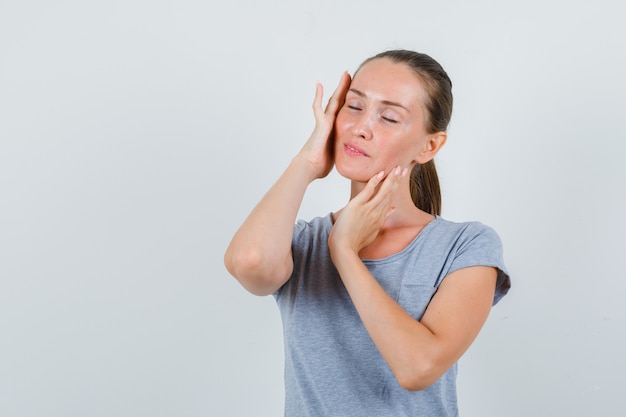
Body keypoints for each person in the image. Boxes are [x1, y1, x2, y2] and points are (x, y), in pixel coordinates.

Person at [224, 49, 511, 417]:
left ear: (430, 146)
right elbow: (250, 263)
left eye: (389, 117)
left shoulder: (465, 246)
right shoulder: (300, 243)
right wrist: (308, 162)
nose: (361, 126)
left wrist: (344, 251)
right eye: (354, 106)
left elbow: (417, 367)